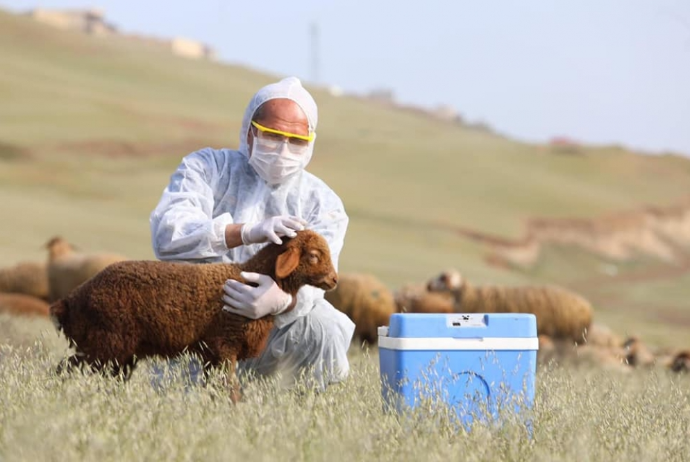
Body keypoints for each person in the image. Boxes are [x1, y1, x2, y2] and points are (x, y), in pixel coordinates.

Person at [149, 76, 355, 391]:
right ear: (249, 132)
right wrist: (244, 233)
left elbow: (319, 279)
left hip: (274, 332)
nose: (284, 150)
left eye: (296, 141)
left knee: (323, 325)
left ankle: (305, 409)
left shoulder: (322, 203)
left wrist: (282, 301)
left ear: (310, 143)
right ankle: (182, 400)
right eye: (272, 136)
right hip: (201, 321)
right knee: (190, 401)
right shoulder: (208, 169)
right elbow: (168, 233)